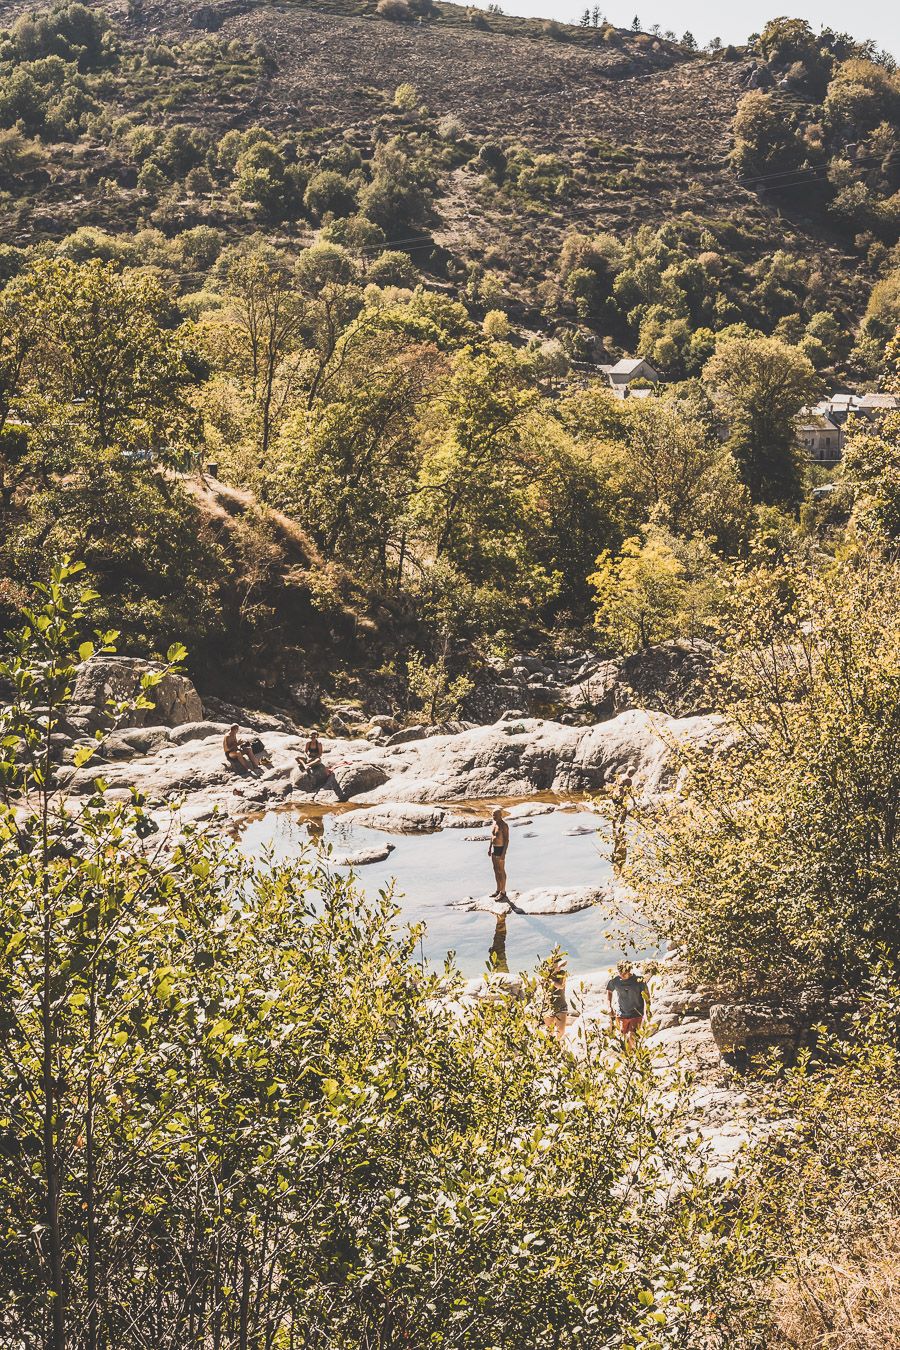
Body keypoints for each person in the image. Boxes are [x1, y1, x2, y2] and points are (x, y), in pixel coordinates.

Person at [606, 960, 649, 1050]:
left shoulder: (639, 980)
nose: (622, 975)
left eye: (624, 973)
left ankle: (631, 1058)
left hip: (636, 1014)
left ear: (629, 971)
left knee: (631, 1036)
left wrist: (648, 1009)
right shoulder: (615, 980)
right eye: (620, 972)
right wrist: (609, 1006)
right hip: (621, 1014)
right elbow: (609, 991)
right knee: (624, 1038)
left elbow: (647, 995)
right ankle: (629, 1058)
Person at [300, 731, 347, 803]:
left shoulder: (318, 744)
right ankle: (305, 765)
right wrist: (307, 757)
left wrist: (313, 758)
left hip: (315, 758)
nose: (312, 738)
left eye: (314, 737)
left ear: (316, 737)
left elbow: (320, 754)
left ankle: (307, 765)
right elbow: (305, 752)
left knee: (318, 760)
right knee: (297, 757)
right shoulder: (308, 743)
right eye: (311, 737)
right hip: (309, 758)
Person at [542, 948, 569, 1040]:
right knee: (549, 1031)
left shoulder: (562, 973)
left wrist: (550, 981)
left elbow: (561, 986)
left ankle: (558, 1047)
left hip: (561, 1006)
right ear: (552, 965)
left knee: (560, 1032)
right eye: (558, 965)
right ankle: (551, 1049)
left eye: (561, 965)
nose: (560, 967)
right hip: (549, 1007)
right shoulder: (546, 975)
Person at [488, 806, 510, 901]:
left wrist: (503, 854)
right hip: (494, 849)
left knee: (501, 871)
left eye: (495, 815)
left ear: (500, 815)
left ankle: (503, 892)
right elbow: (492, 837)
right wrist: (489, 848)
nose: (493, 816)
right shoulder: (494, 824)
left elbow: (506, 840)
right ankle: (498, 890)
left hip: (501, 849)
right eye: (493, 815)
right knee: (495, 870)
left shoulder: (503, 825)